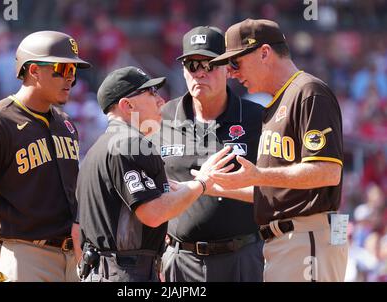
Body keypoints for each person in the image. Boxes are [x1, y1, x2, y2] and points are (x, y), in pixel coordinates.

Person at [204, 18, 348, 281]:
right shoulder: (276, 103)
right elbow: (279, 189)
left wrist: (258, 176)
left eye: (236, 62)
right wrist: (213, 187)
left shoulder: (308, 92)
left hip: (308, 238)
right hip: (286, 241)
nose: (232, 72)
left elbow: (328, 172)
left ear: (265, 52)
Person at [75, 66, 231, 282]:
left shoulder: (99, 148)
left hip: (105, 270)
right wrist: (202, 183)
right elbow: (153, 213)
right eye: (151, 93)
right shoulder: (130, 143)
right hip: (126, 273)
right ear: (127, 105)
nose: (160, 100)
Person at [0, 31, 91, 282]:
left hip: (71, 257)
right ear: (33, 71)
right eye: (63, 69)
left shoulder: (66, 124)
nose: (71, 79)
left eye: (74, 71)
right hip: (22, 255)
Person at [153, 26, 264, 282]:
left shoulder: (256, 118)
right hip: (180, 259)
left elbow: (272, 191)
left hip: (242, 257)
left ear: (227, 68)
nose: (200, 73)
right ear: (183, 70)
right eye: (192, 65)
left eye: (210, 64)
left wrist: (216, 187)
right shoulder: (161, 119)